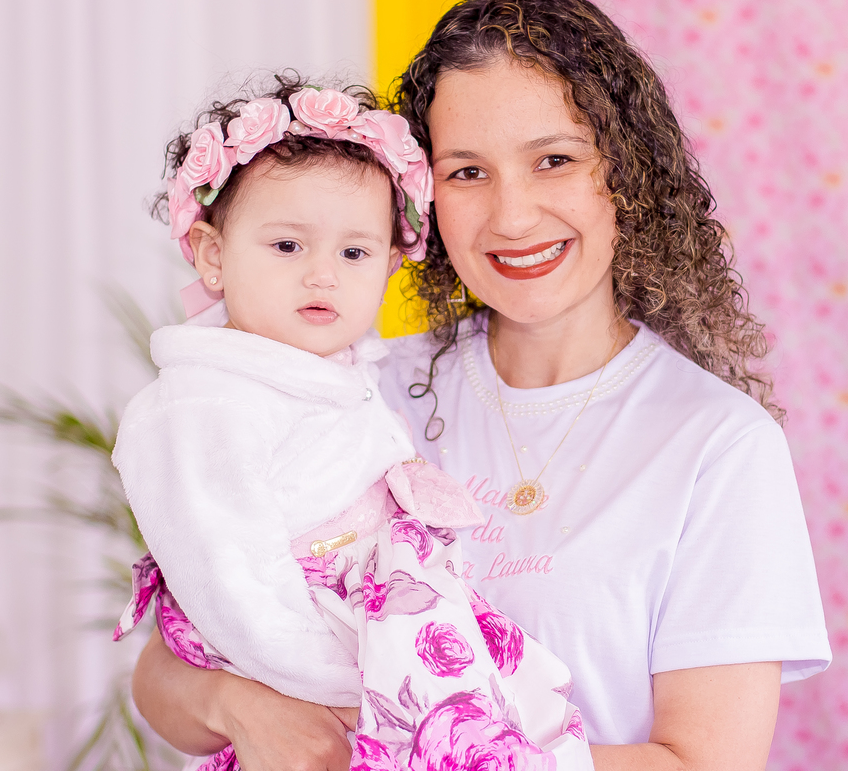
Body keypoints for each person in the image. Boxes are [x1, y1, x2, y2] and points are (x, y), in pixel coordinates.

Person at [132, 0, 831, 771]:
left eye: (554, 160)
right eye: (467, 172)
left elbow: (707, 762)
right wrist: (246, 710)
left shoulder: (718, 444)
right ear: (425, 204)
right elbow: (165, 677)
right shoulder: (353, 394)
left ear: (625, 177)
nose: (514, 216)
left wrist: (461, 756)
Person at [111, 76, 594, 771]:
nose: (323, 277)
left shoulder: (340, 373)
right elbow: (230, 584)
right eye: (286, 247)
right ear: (214, 255)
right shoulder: (199, 405)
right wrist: (350, 690)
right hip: (321, 670)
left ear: (391, 266)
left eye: (354, 253)